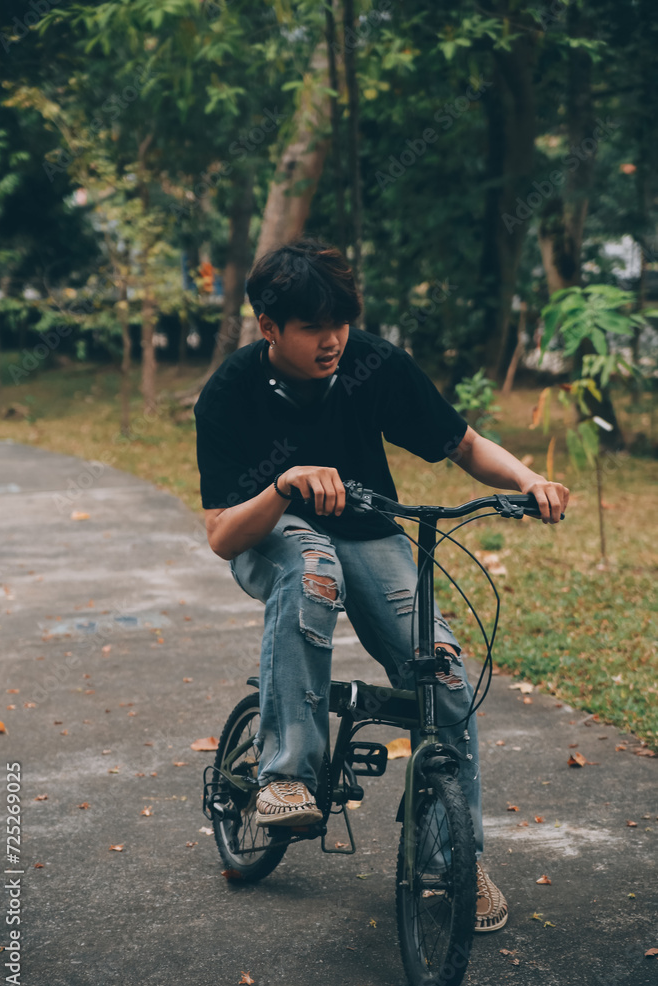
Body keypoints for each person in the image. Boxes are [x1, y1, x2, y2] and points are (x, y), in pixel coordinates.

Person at [195, 237, 569, 933]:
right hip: (268, 534)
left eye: (341, 322)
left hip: (368, 533)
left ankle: (453, 859)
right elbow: (221, 534)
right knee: (312, 566)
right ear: (269, 326)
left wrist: (528, 479)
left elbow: (463, 444)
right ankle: (285, 775)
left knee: (444, 676)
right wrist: (284, 486)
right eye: (313, 326)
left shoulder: (372, 364)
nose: (332, 340)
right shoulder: (230, 392)